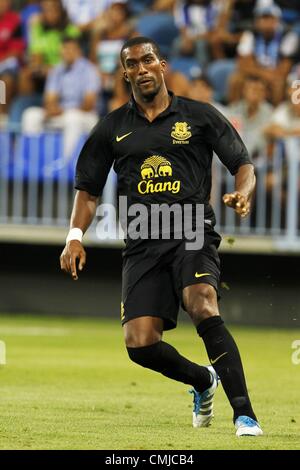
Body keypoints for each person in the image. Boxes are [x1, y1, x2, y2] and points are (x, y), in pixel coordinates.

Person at [60, 36, 263, 437]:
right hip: (142, 241)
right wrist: (73, 235)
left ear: (162, 65)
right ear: (125, 73)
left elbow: (243, 164)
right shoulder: (113, 127)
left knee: (202, 304)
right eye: (132, 64)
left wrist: (243, 193)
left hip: (191, 230)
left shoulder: (200, 117)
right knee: (140, 344)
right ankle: (203, 381)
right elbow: (88, 189)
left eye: (147, 59)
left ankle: (245, 414)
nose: (141, 69)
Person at [22, 36, 100, 165]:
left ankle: (65, 164)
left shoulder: (89, 70)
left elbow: (89, 103)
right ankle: (32, 161)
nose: (66, 52)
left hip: (86, 116)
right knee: (31, 115)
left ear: (78, 51)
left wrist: (62, 110)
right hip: (62, 113)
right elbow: (49, 98)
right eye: (64, 49)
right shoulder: (57, 70)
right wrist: (51, 108)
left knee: (72, 117)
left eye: (70, 49)